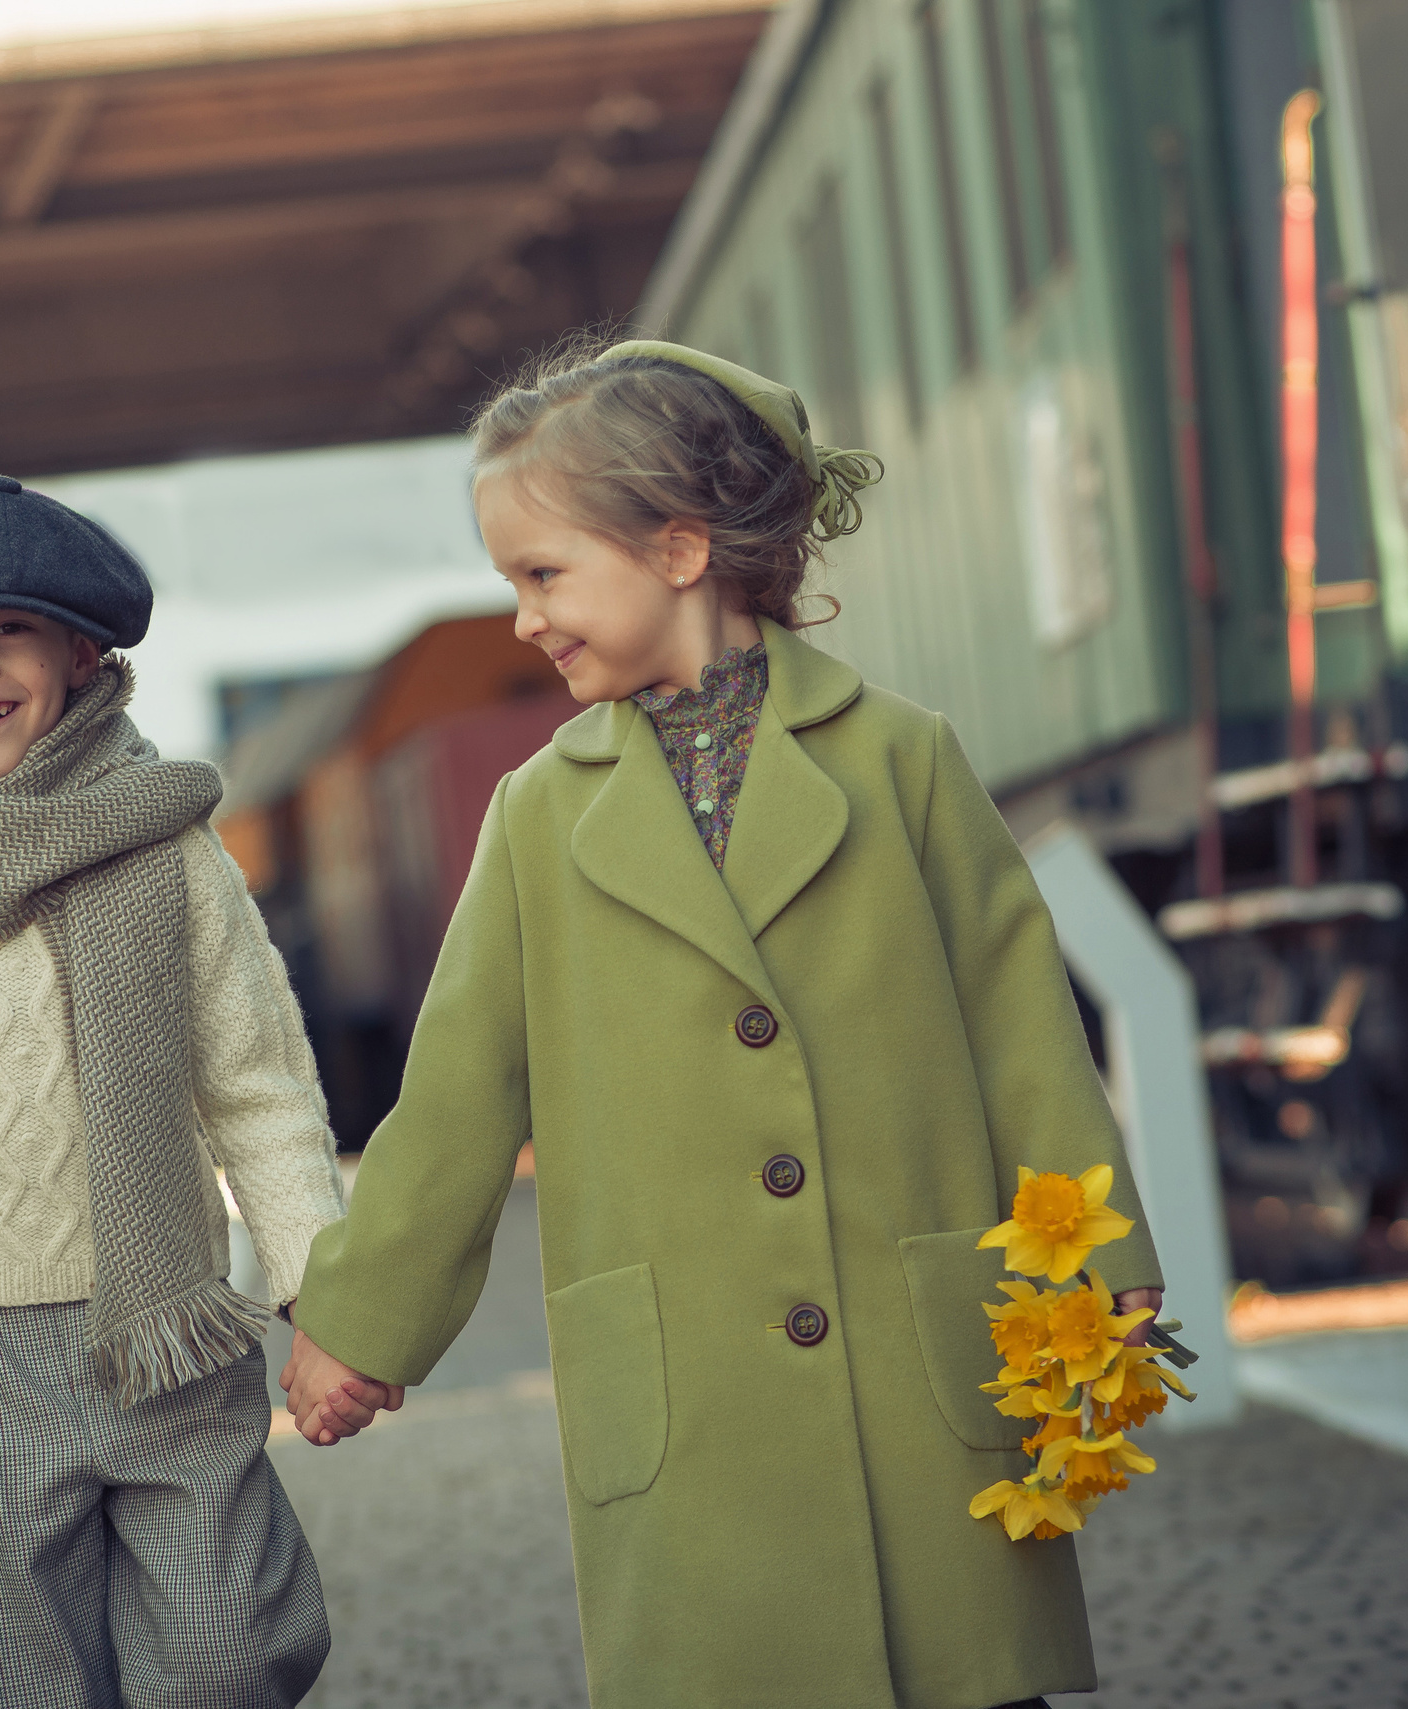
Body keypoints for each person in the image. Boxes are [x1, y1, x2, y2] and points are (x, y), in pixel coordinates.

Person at [283, 340, 1165, 1709]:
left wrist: (1102, 1260)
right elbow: (459, 1094)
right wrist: (360, 1321)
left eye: (543, 574)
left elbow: (1019, 1021)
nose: (521, 619)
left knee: (961, 1681)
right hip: (689, 1399)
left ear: (680, 549)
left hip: (910, 1367)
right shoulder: (537, 814)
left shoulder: (901, 759)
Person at [0, 474, 348, 1709]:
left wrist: (322, 1296)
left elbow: (260, 1090)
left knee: (221, 1654)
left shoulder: (174, 854)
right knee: (32, 1684)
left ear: (80, 653)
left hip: (167, 1324)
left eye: (8, 632)